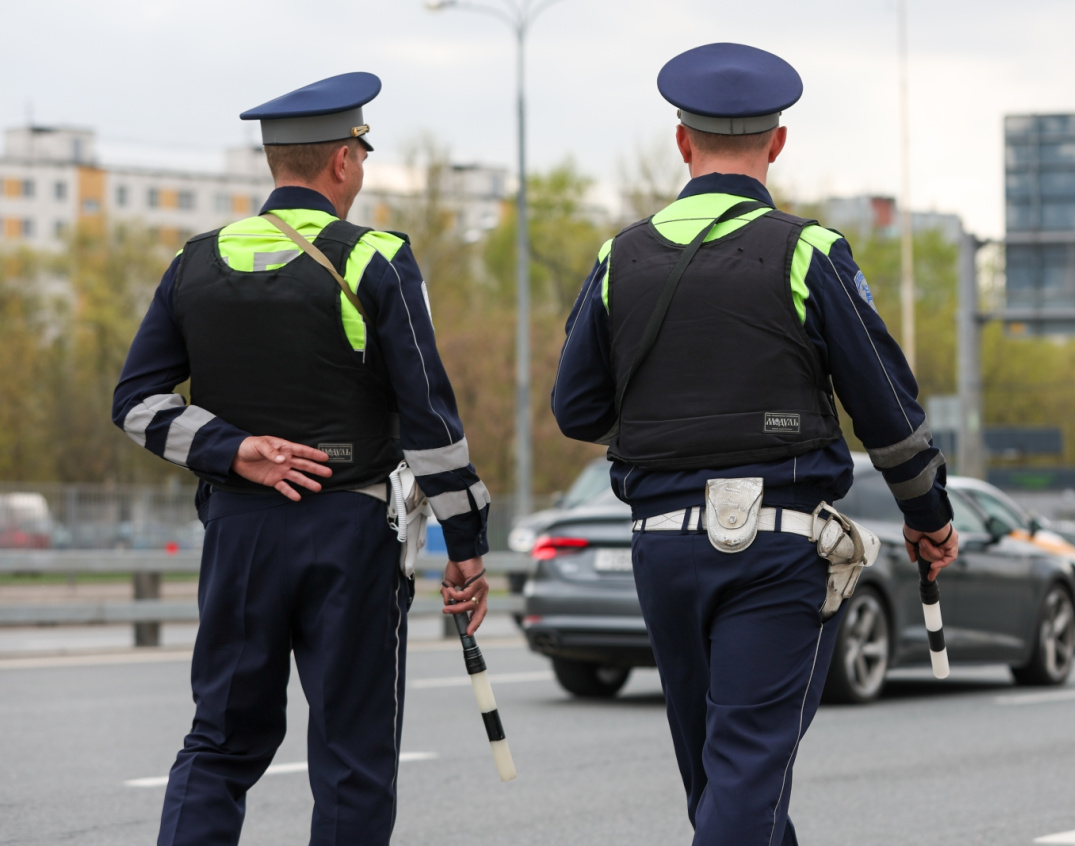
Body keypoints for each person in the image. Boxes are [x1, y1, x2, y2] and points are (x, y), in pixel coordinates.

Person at [552, 43, 959, 846]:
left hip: (662, 549)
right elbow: (885, 408)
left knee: (725, 784)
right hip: (774, 551)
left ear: (682, 142)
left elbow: (576, 408)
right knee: (744, 778)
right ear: (777, 143)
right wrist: (929, 516)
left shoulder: (618, 258)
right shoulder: (808, 252)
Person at [112, 72, 491, 846]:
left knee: (220, 743)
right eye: (362, 154)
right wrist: (467, 542)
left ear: (274, 161)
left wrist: (233, 450)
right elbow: (429, 418)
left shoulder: (194, 261)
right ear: (344, 160)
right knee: (354, 759)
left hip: (240, 536)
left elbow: (136, 403)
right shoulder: (377, 258)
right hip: (352, 538)